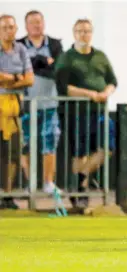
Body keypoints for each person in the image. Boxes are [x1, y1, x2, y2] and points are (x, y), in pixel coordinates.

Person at [55, 19, 117, 209]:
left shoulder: (100, 56)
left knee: (108, 145)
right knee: (79, 152)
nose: (84, 35)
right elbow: (63, 86)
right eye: (80, 31)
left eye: (88, 31)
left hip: (99, 111)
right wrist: (89, 94)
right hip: (75, 112)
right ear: (74, 33)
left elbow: (112, 81)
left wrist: (105, 93)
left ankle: (80, 178)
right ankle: (79, 192)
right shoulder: (67, 57)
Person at [17, 10, 63, 195]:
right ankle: (31, 183)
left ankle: (48, 182)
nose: (36, 25)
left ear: (44, 24)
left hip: (49, 103)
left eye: (39, 22)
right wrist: (42, 62)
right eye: (32, 22)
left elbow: (59, 70)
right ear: (26, 26)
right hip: (25, 104)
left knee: (49, 142)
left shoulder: (54, 44)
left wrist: (35, 65)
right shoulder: (18, 45)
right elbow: (17, 68)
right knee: (24, 144)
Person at [0, 14, 34, 209]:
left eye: (11, 27)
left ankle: (7, 193)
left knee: (12, 153)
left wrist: (8, 80)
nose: (8, 31)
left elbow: (30, 79)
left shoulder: (21, 50)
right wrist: (15, 77)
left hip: (15, 108)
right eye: (4, 27)